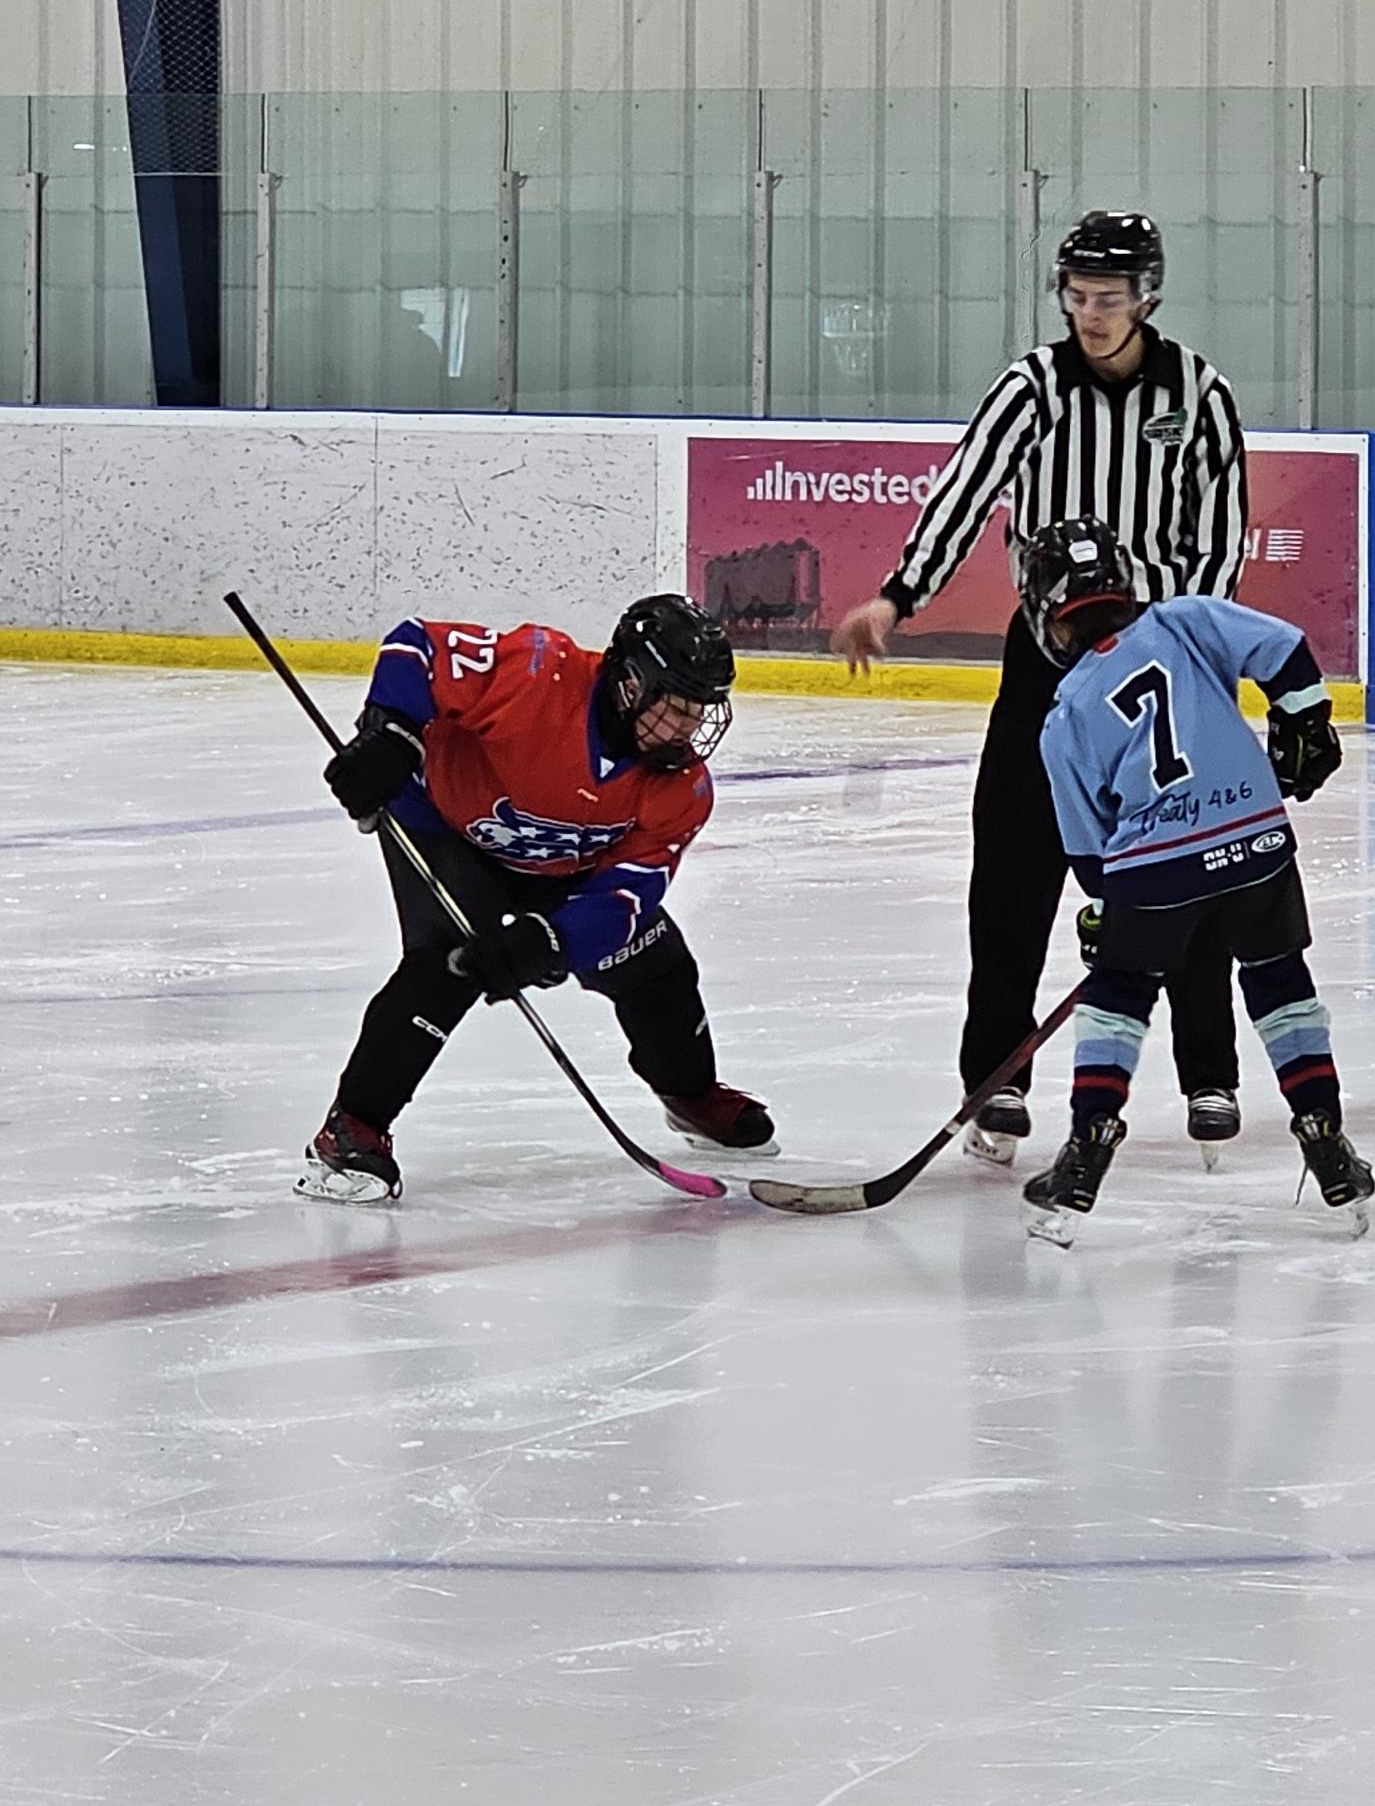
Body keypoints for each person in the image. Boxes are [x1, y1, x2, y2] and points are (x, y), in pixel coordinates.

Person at [836, 210, 1254, 1158]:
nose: (1090, 315)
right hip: (1047, 668)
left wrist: (1185, 641)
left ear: (1147, 297)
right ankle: (997, 1078)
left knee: (1187, 866)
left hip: (1163, 668)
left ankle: (1209, 1071)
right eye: (1077, 296)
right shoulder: (1032, 387)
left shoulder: (1200, 393)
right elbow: (964, 490)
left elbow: (1220, 539)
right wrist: (900, 597)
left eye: (1108, 298)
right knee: (1012, 878)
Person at [299, 594, 773, 1200]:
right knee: (447, 963)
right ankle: (352, 1130)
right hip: (446, 825)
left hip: (566, 863)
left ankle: (690, 1093)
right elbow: (416, 645)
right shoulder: (537, 674)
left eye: (701, 710)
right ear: (630, 682)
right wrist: (391, 734)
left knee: (656, 965)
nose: (689, 728)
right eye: (677, 706)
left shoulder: (682, 790)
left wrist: (553, 942)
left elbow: (628, 894)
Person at [1011, 517, 1374, 1244]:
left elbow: (1089, 852)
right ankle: (1325, 1138)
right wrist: (1303, 722)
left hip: (1155, 866)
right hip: (1255, 839)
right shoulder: (1184, 620)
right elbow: (1284, 650)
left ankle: (1085, 1155)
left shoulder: (1067, 712)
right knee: (1280, 982)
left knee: (1119, 997)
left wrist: (1108, 911)